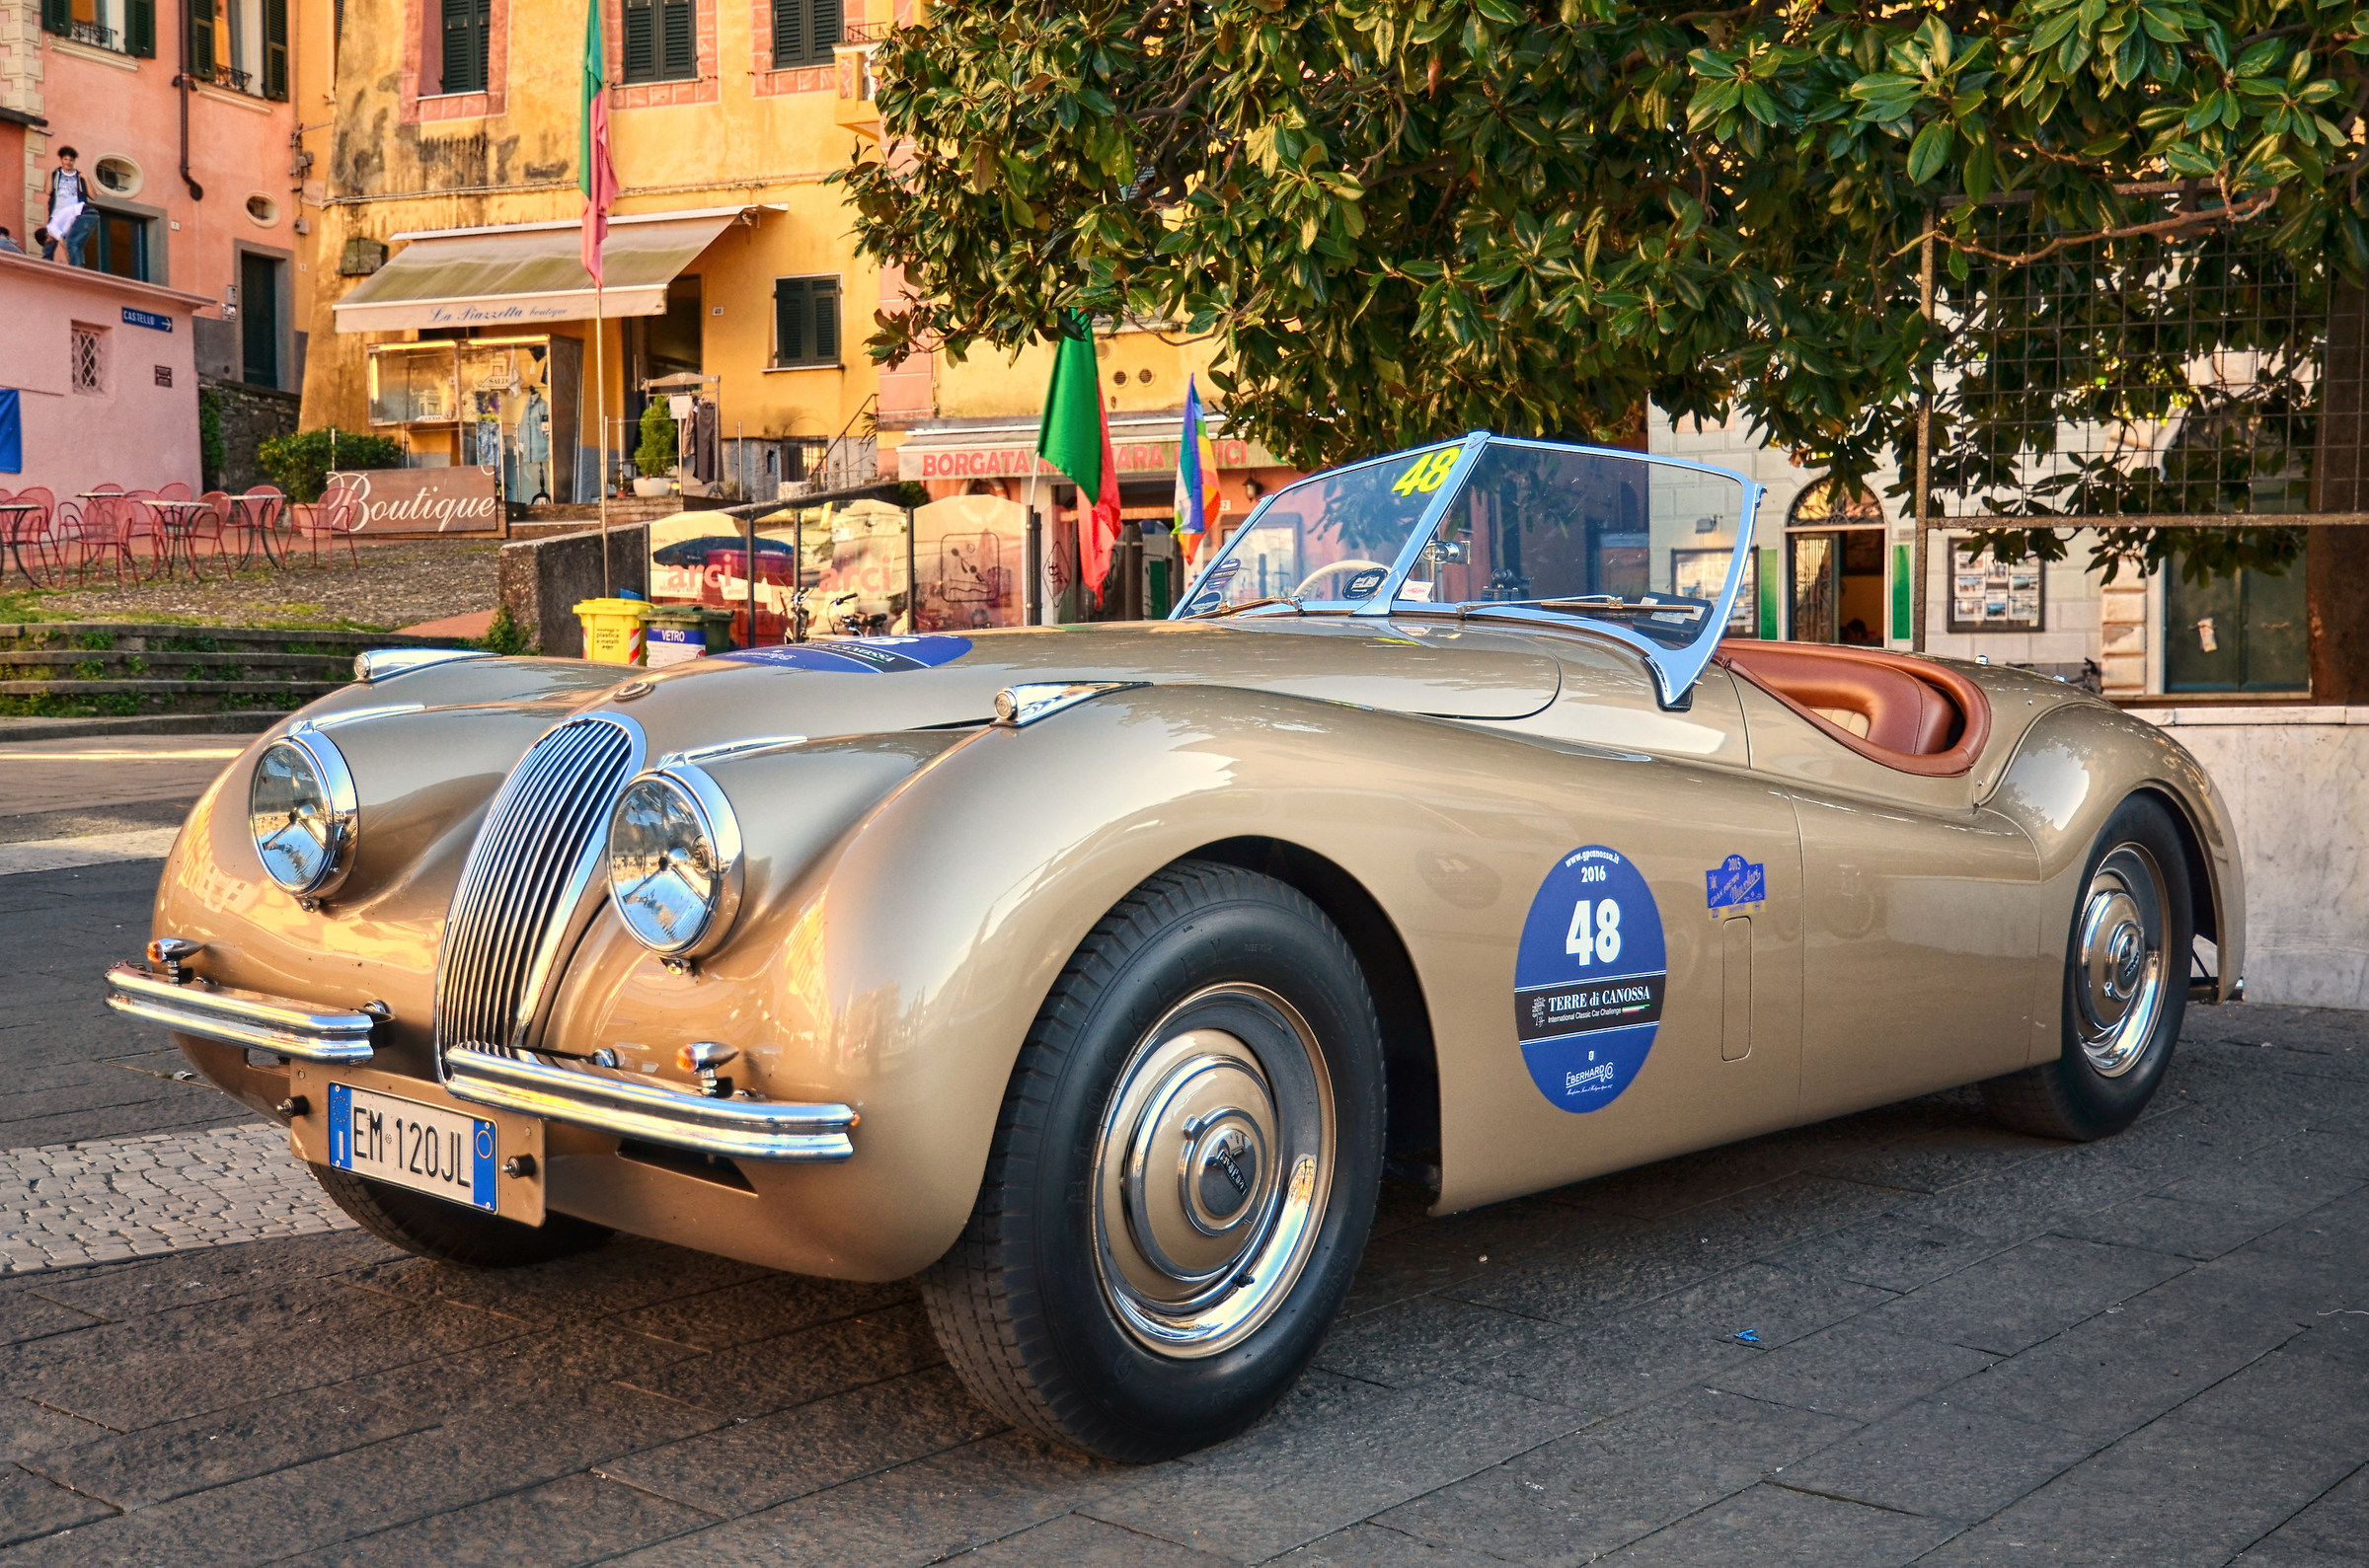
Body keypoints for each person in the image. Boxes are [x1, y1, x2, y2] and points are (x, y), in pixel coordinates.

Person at [44, 146, 97, 268]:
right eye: (66, 159)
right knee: (50, 247)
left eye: (71, 160)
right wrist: (49, 174)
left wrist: (87, 179)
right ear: (61, 160)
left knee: (74, 243)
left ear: (74, 161)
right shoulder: (56, 174)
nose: (68, 162)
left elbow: (93, 196)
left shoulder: (79, 176)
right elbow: (47, 191)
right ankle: (47, 268)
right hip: (57, 214)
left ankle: (76, 268)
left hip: (74, 215)